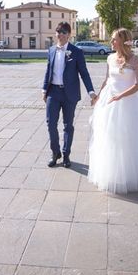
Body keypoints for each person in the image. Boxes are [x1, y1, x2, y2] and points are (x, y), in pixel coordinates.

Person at [88, 28, 138, 194]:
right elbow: (107, 79)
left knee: (128, 138)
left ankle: (130, 175)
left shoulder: (134, 59)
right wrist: (98, 97)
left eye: (114, 39)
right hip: (108, 103)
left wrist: (120, 96)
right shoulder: (110, 58)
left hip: (127, 104)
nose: (111, 42)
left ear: (123, 41)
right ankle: (112, 173)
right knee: (109, 138)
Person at [42, 22, 97, 168]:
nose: (60, 35)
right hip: (53, 92)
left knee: (68, 125)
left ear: (69, 35)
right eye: (58, 32)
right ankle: (55, 152)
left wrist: (91, 92)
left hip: (69, 94)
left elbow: (84, 73)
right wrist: (44, 90)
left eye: (63, 32)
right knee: (50, 123)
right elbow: (48, 70)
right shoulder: (52, 50)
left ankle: (66, 155)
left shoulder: (76, 52)